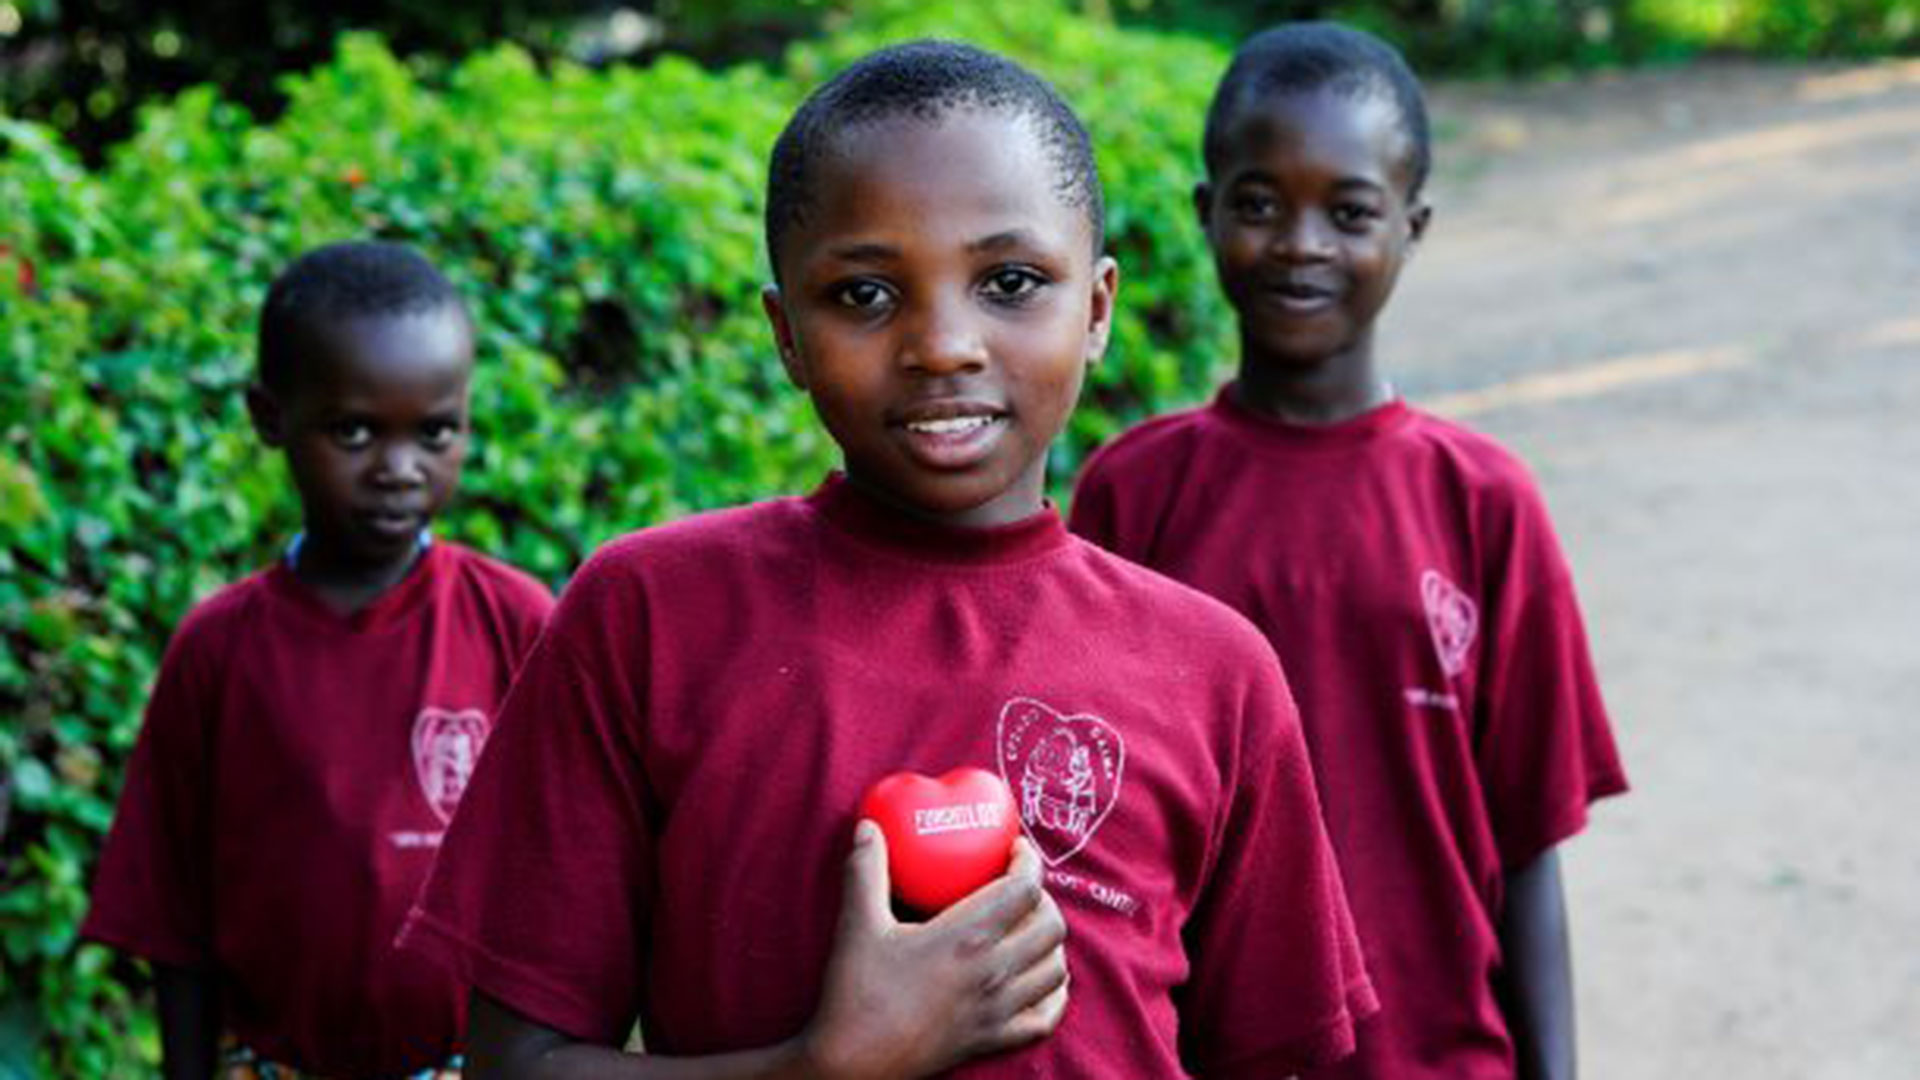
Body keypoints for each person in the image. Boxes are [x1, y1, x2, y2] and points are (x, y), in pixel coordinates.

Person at [402, 40, 1375, 1079]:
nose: (943, 344)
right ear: (787, 333)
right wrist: (820, 1070)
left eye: (1009, 281)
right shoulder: (648, 618)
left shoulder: (1214, 673)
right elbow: (516, 1062)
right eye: (865, 294)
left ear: (1096, 310)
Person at [1068, 23, 1629, 1080]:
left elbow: (1527, 848)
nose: (1301, 243)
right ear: (1205, 212)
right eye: (1259, 203)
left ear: (1413, 228)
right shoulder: (1132, 495)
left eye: (1351, 211)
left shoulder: (1484, 503)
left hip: (1439, 1056)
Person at [82, 241, 556, 1079]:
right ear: (271, 417)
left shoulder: (513, 622)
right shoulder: (218, 649)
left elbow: (569, 880)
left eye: (435, 431)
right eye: (354, 431)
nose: (399, 470)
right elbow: (174, 921)